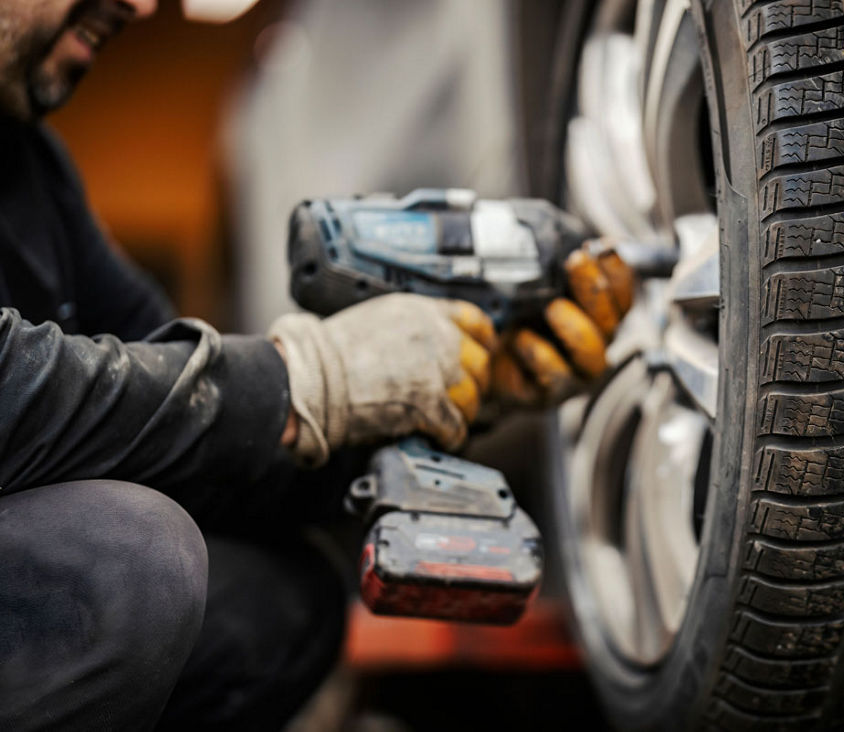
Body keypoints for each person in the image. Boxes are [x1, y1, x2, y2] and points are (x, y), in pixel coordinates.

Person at [0, 1, 627, 729]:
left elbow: (184, 414)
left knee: (281, 600)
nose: (142, 4)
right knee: (125, 561)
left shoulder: (29, 167)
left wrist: (447, 389)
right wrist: (311, 380)